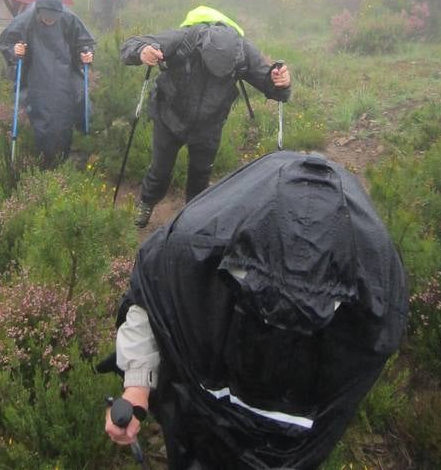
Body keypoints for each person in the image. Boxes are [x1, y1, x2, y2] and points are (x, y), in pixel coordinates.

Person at [103, 150, 409, 469]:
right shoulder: (191, 249)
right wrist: (137, 386)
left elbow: (360, 368)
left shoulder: (376, 289)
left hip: (294, 401)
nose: (280, 327)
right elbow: (150, 301)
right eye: (267, 310)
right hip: (207, 381)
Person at [120, 5, 291, 227]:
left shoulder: (243, 52)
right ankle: (146, 204)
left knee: (200, 175)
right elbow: (129, 46)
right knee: (160, 170)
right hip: (169, 116)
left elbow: (272, 87)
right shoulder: (183, 39)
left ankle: (193, 222)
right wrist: (142, 51)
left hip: (209, 125)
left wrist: (281, 82)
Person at [0, 0, 95, 167]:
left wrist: (86, 53)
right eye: (46, 17)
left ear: (60, 11)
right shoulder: (25, 19)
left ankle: (71, 150)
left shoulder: (69, 18)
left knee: (73, 107)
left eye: (54, 17)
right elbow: (6, 42)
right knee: (43, 113)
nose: (50, 20)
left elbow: (85, 41)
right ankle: (46, 160)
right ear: (39, 10)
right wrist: (15, 51)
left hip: (65, 70)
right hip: (35, 71)